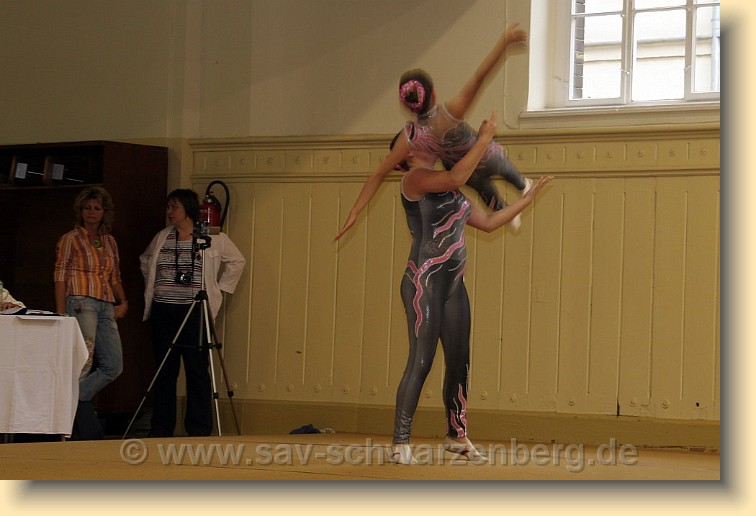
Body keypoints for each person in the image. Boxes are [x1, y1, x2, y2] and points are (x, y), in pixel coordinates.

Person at [389, 109, 553, 464]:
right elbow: (455, 176)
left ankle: (456, 434)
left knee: (459, 361)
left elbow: (490, 222)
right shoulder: (414, 181)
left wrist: (526, 201)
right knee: (422, 360)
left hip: (452, 286)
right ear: (408, 155)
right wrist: (483, 139)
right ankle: (401, 440)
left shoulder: (453, 194)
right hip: (424, 283)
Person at [335, 22, 529, 241]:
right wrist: (503, 43)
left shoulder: (411, 135)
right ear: (434, 94)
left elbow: (378, 173)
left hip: (462, 169)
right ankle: (519, 186)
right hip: (473, 159)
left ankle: (515, 192)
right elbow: (479, 77)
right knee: (496, 169)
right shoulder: (450, 113)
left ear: (408, 106)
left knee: (483, 185)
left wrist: (355, 211)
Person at [140, 189, 246, 437]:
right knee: (165, 370)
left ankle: (199, 428)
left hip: (194, 310)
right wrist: (157, 285)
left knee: (197, 369)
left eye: (174, 207)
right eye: (168, 207)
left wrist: (219, 290)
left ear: (187, 209)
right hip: (164, 309)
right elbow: (145, 260)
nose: (170, 213)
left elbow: (237, 261)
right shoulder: (162, 237)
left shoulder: (212, 237)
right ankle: (161, 427)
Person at [54, 186, 127, 439]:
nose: (91, 213)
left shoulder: (109, 241)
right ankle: (65, 423)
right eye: (87, 208)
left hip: (106, 302)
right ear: (80, 211)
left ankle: (68, 401)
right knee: (84, 360)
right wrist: (61, 314)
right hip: (81, 300)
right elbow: (60, 275)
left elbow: (115, 276)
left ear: (105, 211)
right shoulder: (71, 239)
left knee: (113, 365)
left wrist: (123, 300)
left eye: (96, 208)